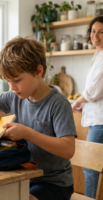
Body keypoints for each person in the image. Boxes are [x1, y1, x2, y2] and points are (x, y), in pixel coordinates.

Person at [0, 36, 77, 200]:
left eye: (16, 80)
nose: (12, 87)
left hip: (54, 183)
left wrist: (27, 133)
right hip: (22, 176)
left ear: (38, 71)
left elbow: (68, 149)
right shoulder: (14, 96)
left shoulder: (58, 104)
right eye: (8, 81)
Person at [71, 16, 103, 199]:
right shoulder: (97, 55)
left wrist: (78, 100)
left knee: (90, 167)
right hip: (97, 119)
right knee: (93, 166)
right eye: (93, 31)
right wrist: (83, 100)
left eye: (101, 32)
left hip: (100, 121)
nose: (95, 35)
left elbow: (95, 89)